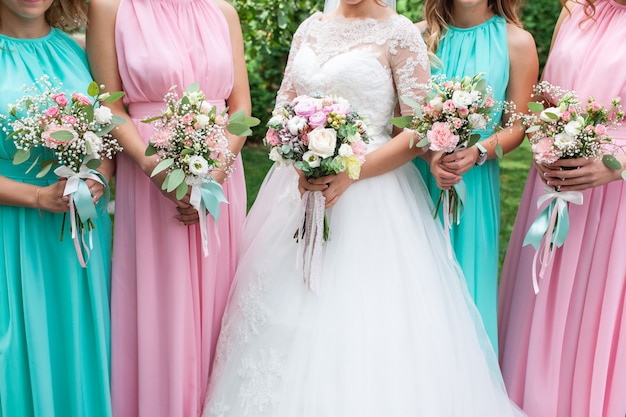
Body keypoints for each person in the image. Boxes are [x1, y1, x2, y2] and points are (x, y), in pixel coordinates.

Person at [201, 1, 524, 416]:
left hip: (373, 193)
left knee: (360, 316)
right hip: (299, 190)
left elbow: (418, 130)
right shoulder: (309, 28)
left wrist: (352, 172)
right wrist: (298, 159)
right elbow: (282, 112)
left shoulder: (400, 32)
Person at [86, 0, 252, 415]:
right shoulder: (110, 8)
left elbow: (242, 108)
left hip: (218, 177)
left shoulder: (223, 11)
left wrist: (215, 173)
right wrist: (149, 164)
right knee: (162, 312)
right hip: (150, 178)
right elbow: (109, 105)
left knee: (219, 310)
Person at [498, 1, 626, 416]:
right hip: (553, 184)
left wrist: (617, 165)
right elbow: (544, 97)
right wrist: (543, 144)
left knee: (597, 314)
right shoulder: (576, 8)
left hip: (614, 198)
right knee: (544, 303)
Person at [0, 0, 113, 415]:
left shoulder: (79, 49)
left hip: (79, 236)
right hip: (12, 230)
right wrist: (35, 197)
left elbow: (107, 133)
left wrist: (98, 177)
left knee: (75, 344)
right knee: (14, 357)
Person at [413, 0, 538, 352]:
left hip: (476, 181)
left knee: (466, 282)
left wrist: (478, 151)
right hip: (418, 177)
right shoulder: (418, 36)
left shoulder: (517, 42)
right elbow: (399, 115)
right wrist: (429, 152)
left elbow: (517, 128)